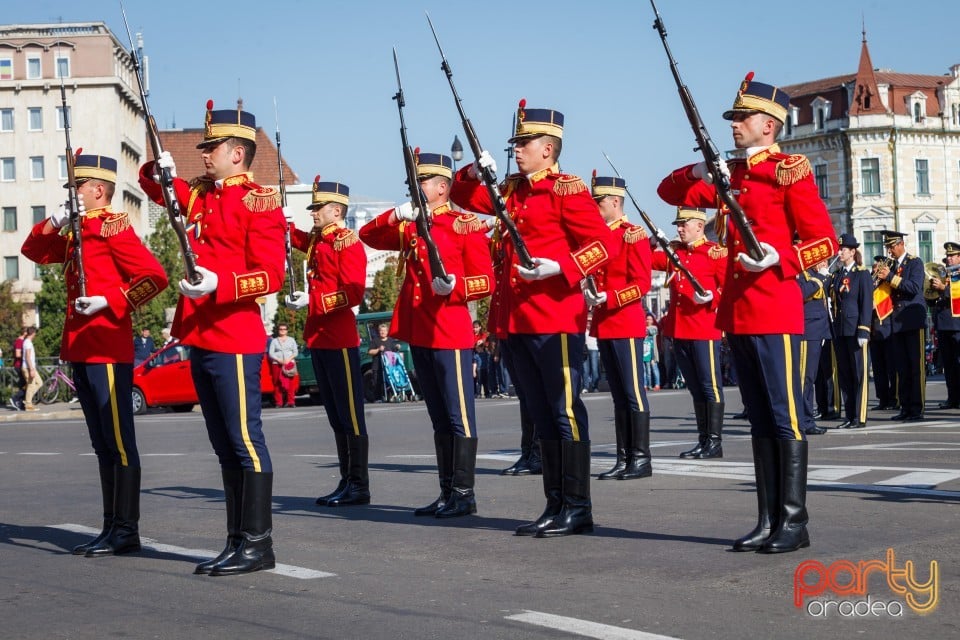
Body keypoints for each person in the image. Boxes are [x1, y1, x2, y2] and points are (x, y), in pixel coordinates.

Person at [658, 73, 838, 553]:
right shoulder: (729, 174)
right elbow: (667, 192)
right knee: (759, 420)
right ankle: (767, 519)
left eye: (743, 117)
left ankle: (794, 523)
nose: (735, 124)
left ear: (770, 125)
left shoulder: (789, 170)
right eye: (734, 117)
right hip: (738, 313)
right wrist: (700, 171)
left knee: (785, 418)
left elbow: (824, 241)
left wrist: (783, 258)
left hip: (776, 309)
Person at [451, 102, 617, 536]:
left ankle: (578, 506)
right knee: (541, 415)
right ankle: (555, 503)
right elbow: (461, 195)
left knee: (564, 411)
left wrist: (560, 267)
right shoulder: (512, 190)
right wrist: (473, 169)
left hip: (554, 317)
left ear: (548, 148)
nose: (517, 151)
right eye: (516, 144)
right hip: (517, 320)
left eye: (524, 144)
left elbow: (603, 245)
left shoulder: (567, 189)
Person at [138, 100, 286, 575]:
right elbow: (155, 187)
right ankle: (236, 538)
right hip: (201, 332)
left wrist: (222, 284)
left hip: (235, 333)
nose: (204, 154)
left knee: (245, 439)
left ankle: (259, 543)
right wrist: (155, 166)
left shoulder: (257, 201)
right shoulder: (203, 195)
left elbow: (272, 275)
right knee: (224, 444)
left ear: (237, 153)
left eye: (212, 146)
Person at [22, 153, 168, 556]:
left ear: (98, 190)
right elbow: (33, 250)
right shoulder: (75, 231)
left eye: (78, 187)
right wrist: (55, 221)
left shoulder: (113, 226)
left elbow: (154, 276)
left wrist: (109, 300)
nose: (72, 193)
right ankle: (111, 526)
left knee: (119, 440)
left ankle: (127, 528)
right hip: (82, 347)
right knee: (102, 442)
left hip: (106, 345)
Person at [360, 150, 493, 519]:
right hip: (420, 329)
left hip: (449, 329)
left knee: (458, 415)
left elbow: (486, 281)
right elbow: (368, 234)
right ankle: (447, 491)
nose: (413, 189)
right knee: (438, 417)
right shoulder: (412, 225)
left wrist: (456, 286)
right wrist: (396, 213)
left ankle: (464, 493)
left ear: (441, 187)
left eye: (420, 183)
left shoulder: (465, 224)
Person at [286, 178, 370, 506]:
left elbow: (353, 292)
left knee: (350, 415)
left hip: (339, 340)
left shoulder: (347, 242)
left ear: (336, 211)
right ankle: (347, 479)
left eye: (317, 208)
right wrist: (283, 222)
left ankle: (359, 483)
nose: (313, 214)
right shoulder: (320, 241)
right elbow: (296, 239)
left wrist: (313, 300)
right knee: (336, 415)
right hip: (320, 339)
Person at [583, 174, 653, 481]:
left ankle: (640, 458)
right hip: (605, 322)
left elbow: (642, 283)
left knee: (633, 392)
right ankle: (623, 457)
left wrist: (610, 296)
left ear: (615, 201)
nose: (595, 207)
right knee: (619, 396)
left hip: (625, 321)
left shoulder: (632, 235)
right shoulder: (597, 237)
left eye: (598, 202)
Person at [650, 207, 727, 458]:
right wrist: (652, 241)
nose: (679, 228)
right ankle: (704, 440)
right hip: (679, 329)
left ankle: (714, 442)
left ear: (699, 225)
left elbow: (729, 289)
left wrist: (711, 297)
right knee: (695, 387)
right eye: (678, 225)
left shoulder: (715, 253)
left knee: (709, 386)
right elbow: (647, 260)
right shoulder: (676, 253)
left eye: (684, 224)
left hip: (704, 328)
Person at [874, 230, 926, 421]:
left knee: (915, 366)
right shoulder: (892, 265)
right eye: (888, 247)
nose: (889, 251)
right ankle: (905, 407)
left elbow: (913, 287)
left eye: (891, 247)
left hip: (911, 319)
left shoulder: (914, 262)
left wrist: (890, 277)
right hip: (895, 320)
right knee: (901, 368)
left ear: (901, 244)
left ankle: (917, 408)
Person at [828, 234, 873, 429]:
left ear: (852, 252)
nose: (839, 253)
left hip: (856, 330)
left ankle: (859, 416)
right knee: (845, 375)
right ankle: (849, 415)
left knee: (859, 374)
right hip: (840, 330)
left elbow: (866, 303)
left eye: (843, 250)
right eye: (839, 250)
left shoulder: (861, 274)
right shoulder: (838, 275)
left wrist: (864, 330)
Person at [797, 260, 830, 435]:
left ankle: (807, 420)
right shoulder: (801, 273)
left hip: (816, 331)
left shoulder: (814, 273)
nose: (824, 262)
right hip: (807, 331)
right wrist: (819, 279)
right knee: (804, 379)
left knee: (810, 378)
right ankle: (803, 420)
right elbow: (801, 293)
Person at [929, 242, 960, 409]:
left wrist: (943, 289)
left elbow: (957, 295)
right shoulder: (944, 274)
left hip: (957, 324)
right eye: (947, 256)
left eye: (952, 256)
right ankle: (952, 397)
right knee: (949, 365)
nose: (949, 259)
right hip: (943, 324)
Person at [870, 255, 898, 411]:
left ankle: (893, 398)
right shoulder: (871, 282)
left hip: (887, 328)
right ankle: (883, 398)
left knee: (890, 367)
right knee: (878, 368)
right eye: (875, 267)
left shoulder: (887, 283)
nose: (876, 269)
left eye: (879, 267)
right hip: (874, 329)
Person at [267, 324, 299, 408]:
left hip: (289, 364)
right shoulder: (274, 341)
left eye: (284, 329)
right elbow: (271, 353)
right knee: (277, 383)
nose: (282, 330)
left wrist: (288, 359)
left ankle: (291, 402)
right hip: (277, 364)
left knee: (290, 383)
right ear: (278, 330)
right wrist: (279, 360)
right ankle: (279, 402)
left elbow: (295, 352)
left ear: (287, 330)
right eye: (280, 329)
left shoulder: (291, 340)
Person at [367, 323, 399, 402]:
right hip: (377, 366)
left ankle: (391, 396)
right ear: (379, 332)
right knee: (377, 382)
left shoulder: (391, 340)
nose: (383, 332)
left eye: (384, 331)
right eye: (381, 331)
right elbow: (370, 352)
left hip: (389, 366)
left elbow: (394, 352)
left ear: (387, 332)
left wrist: (397, 347)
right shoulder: (375, 341)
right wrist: (378, 350)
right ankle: (377, 398)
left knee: (391, 381)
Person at [21, 326, 41, 412]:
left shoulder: (27, 342)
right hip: (28, 367)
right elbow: (27, 357)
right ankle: (28, 405)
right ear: (33, 333)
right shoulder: (28, 343)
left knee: (39, 383)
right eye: (35, 333)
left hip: (30, 367)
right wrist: (31, 369)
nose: (35, 335)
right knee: (31, 385)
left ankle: (27, 400)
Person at [9, 326, 27, 411]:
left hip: (20, 365)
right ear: (25, 333)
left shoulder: (20, 340)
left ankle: (20, 402)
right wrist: (26, 357)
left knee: (23, 384)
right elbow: (18, 354)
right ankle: (15, 398)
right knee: (28, 384)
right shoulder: (20, 341)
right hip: (19, 365)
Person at [644, 315, 661, 391]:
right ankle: (646, 385)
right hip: (645, 352)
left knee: (654, 368)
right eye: (647, 319)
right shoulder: (643, 328)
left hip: (653, 352)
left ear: (652, 321)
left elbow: (650, 331)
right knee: (645, 370)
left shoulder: (654, 328)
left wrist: (643, 329)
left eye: (650, 319)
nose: (648, 321)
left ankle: (657, 384)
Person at [583, 322, 600, 393]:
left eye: (590, 321)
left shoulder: (595, 329)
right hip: (584, 350)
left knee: (594, 369)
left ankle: (595, 386)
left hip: (594, 349)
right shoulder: (583, 329)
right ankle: (585, 387)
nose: (588, 323)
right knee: (585, 370)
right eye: (587, 322)